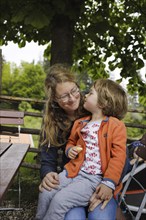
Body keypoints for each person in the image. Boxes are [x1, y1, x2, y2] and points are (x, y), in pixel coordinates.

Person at [35, 75, 128, 220]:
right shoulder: (81, 122)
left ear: (103, 102)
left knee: (60, 200)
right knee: (46, 192)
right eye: (64, 96)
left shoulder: (115, 125)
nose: (84, 96)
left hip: (93, 179)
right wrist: (69, 150)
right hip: (73, 171)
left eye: (90, 93)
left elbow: (119, 156)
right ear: (55, 100)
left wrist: (109, 184)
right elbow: (71, 142)